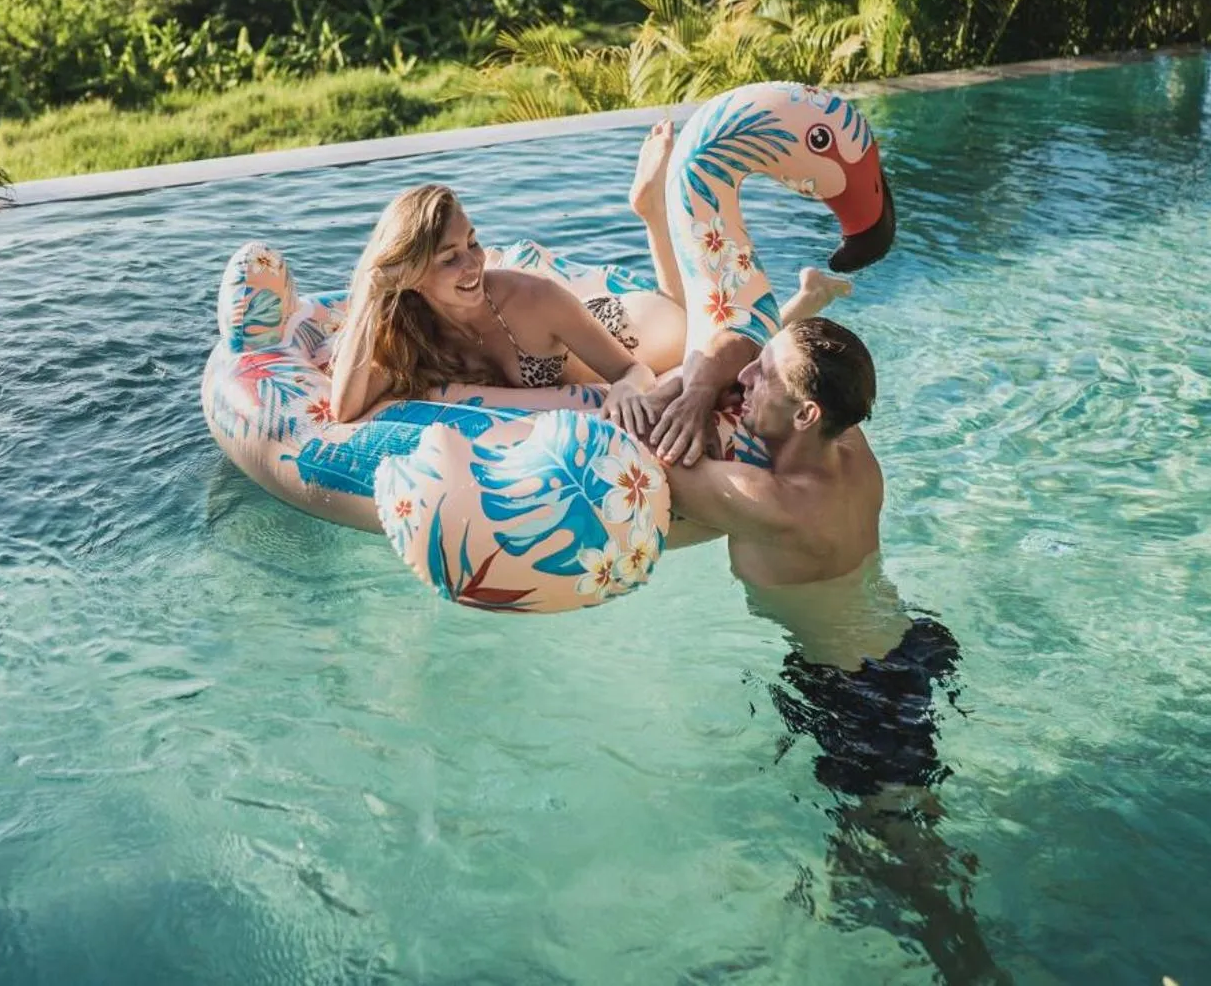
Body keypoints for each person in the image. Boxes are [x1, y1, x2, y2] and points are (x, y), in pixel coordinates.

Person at [650, 319, 1006, 985]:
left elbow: (648, 462)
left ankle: (977, 969)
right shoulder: (849, 441)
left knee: (918, 866)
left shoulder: (777, 505)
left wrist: (691, 394)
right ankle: (856, 889)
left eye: (765, 374)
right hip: (903, 644)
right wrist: (708, 381)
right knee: (875, 833)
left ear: (806, 411)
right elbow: (741, 334)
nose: (748, 375)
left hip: (861, 695)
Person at [327, 184, 660, 426]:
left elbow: (634, 369)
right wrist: (371, 294)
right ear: (412, 276)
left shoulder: (535, 297)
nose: (473, 264)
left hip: (632, 326)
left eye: (473, 242)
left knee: (694, 315)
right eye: (449, 258)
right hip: (571, 321)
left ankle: (651, 209)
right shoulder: (409, 330)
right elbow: (345, 410)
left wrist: (628, 388)